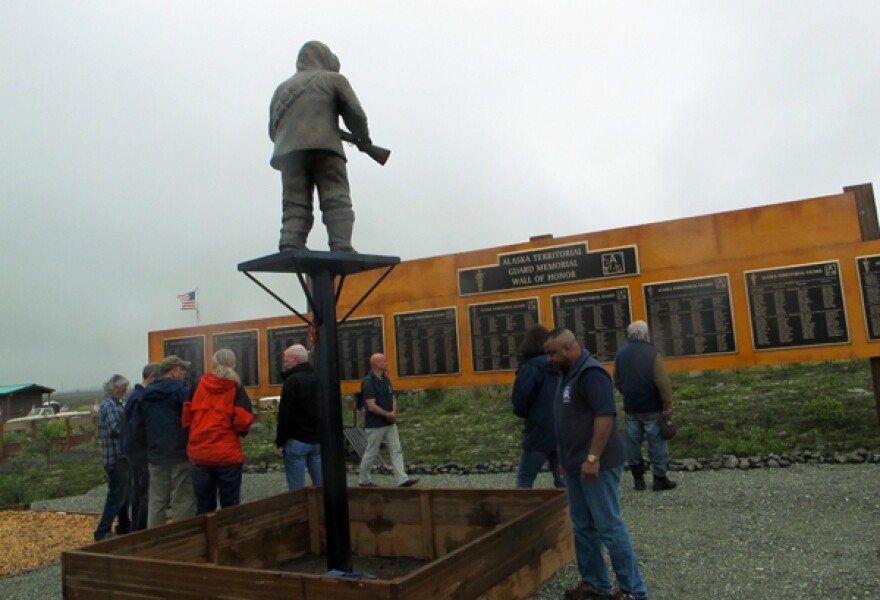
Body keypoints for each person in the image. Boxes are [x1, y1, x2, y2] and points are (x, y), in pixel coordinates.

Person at [544, 328, 648, 600]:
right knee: (582, 526)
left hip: (597, 466)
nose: (548, 359)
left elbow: (605, 416)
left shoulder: (591, 373)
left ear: (568, 349)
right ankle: (595, 584)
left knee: (609, 526)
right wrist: (566, 459)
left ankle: (632, 590)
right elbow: (567, 420)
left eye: (552, 353)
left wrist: (593, 457)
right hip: (576, 466)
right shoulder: (566, 374)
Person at [268, 40, 371, 253]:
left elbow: (273, 131)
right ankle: (341, 244)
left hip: (289, 154)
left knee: (294, 202)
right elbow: (355, 113)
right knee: (336, 197)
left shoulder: (282, 89)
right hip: (327, 149)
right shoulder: (334, 79)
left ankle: (290, 242)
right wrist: (363, 139)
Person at [183, 349, 254, 514]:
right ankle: (230, 537)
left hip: (200, 453)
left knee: (204, 506)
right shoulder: (236, 388)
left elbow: (186, 419)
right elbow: (243, 421)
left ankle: (207, 539)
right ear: (234, 364)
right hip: (227, 454)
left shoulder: (197, 385)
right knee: (230, 506)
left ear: (213, 363)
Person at [131, 355, 196, 528]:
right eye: (182, 370)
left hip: (155, 455)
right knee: (182, 499)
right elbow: (191, 420)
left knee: (157, 500)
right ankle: (183, 538)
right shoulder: (181, 392)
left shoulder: (144, 394)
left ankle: (155, 539)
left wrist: (146, 451)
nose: (184, 374)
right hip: (179, 454)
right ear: (174, 371)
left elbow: (137, 426)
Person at [613, 320, 676, 493]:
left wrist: (627, 392)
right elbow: (662, 381)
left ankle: (638, 479)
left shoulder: (620, 354)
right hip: (652, 407)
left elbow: (617, 379)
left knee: (633, 442)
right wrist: (667, 404)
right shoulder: (653, 353)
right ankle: (659, 478)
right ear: (646, 334)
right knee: (657, 443)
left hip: (631, 407)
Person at [510, 324, 563, 488]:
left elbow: (520, 402)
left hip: (537, 433)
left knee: (524, 482)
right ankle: (569, 513)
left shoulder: (530, 369)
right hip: (563, 431)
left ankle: (524, 513)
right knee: (564, 482)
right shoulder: (562, 366)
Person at [357, 353, 418, 488]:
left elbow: (392, 397)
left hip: (389, 423)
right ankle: (364, 480)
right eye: (384, 361)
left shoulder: (386, 379)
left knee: (396, 449)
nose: (387, 363)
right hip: (375, 424)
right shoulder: (368, 382)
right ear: (377, 364)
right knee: (372, 452)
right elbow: (371, 405)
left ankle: (402, 479)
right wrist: (387, 414)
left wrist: (393, 412)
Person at [274, 344, 323, 490]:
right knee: (321, 487)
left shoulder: (292, 381)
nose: (284, 363)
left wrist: (280, 442)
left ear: (295, 360)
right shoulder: (319, 378)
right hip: (318, 439)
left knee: (296, 489)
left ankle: (299, 512)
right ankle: (323, 511)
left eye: (286, 359)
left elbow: (286, 414)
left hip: (297, 440)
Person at [94, 374, 132, 541]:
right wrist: (132, 429)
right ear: (114, 389)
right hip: (116, 457)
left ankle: (124, 525)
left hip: (119, 457)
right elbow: (115, 429)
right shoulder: (109, 405)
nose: (124, 392)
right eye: (123, 389)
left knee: (124, 493)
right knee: (117, 494)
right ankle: (102, 530)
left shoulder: (115, 404)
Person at [124, 363, 161, 531]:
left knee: (138, 490)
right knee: (144, 490)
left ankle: (136, 526)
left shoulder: (134, 395)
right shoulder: (141, 397)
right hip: (140, 451)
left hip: (132, 450)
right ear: (152, 377)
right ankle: (140, 527)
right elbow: (138, 427)